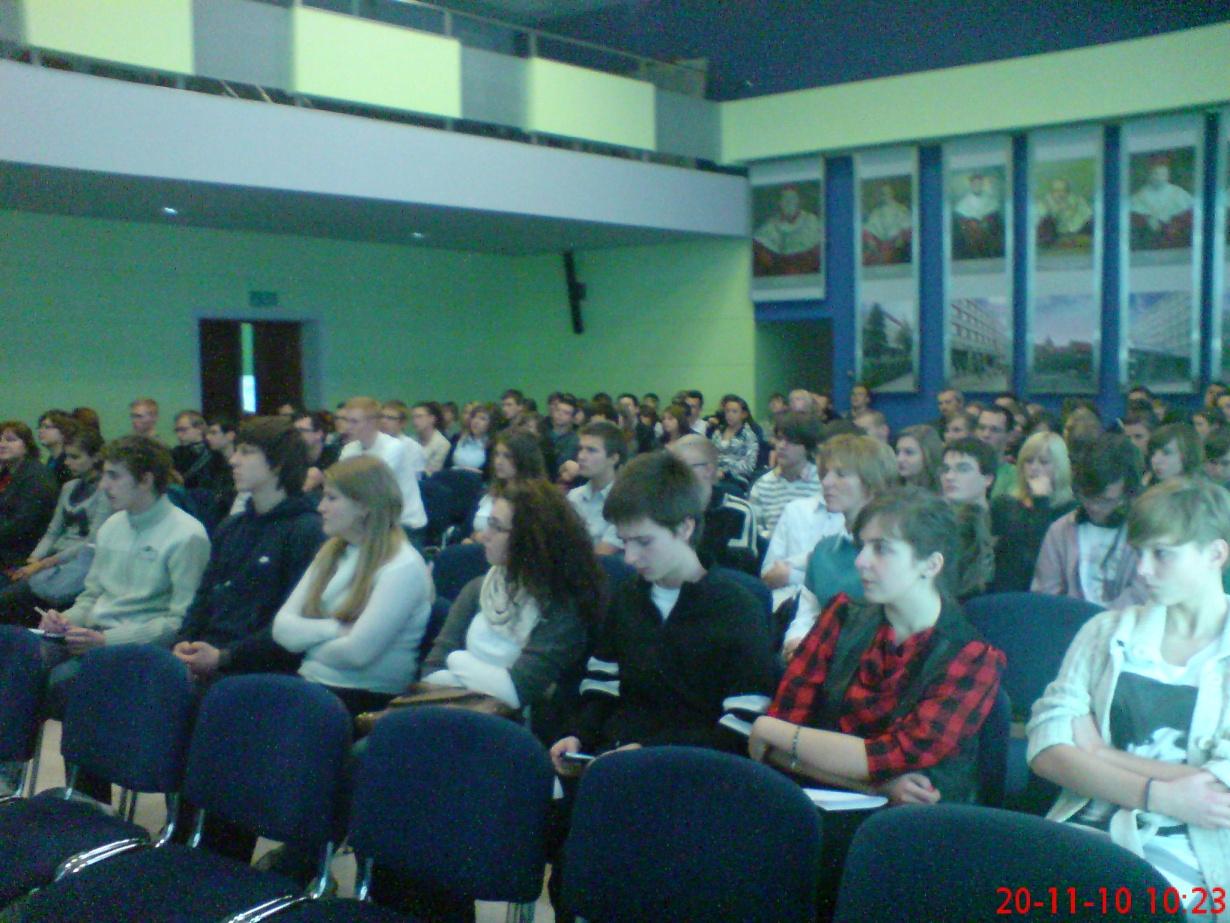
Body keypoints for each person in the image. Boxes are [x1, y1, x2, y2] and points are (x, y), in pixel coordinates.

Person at [750, 488, 1005, 918]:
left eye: (881, 549)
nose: (861, 561)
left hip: (916, 839)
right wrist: (875, 784)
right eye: (862, 545)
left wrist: (772, 732)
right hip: (823, 807)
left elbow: (892, 755)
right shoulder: (843, 615)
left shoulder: (973, 657)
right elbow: (776, 747)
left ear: (931, 564)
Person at [1027, 477, 1230, 910]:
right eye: (1139, 553)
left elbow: (1219, 793)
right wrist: (1160, 794)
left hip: (1193, 856)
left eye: (1163, 554)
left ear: (1215, 554)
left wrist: (1099, 753)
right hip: (1082, 833)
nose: (1142, 570)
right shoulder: (1105, 631)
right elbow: (1045, 749)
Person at [421, 479, 600, 718]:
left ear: (530, 537)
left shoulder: (561, 605)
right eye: (488, 524)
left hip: (515, 730)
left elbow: (518, 691)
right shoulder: (479, 589)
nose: (484, 535)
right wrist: (494, 680)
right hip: (455, 712)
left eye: (497, 527)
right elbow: (431, 670)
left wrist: (457, 660)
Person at [272, 456, 432, 720]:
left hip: (365, 700)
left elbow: (358, 654)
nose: (321, 507)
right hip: (314, 685)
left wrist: (305, 643)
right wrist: (335, 629)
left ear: (364, 506)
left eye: (332, 498)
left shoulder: (402, 566)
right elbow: (281, 628)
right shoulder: (332, 551)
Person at [173, 417, 324, 682]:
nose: (233, 460)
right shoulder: (231, 527)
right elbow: (204, 597)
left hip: (258, 669)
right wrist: (185, 642)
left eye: (247, 452)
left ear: (278, 463)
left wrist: (224, 657)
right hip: (211, 658)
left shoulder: (307, 531)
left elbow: (290, 625)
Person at [781, 434, 898, 656]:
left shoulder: (897, 552)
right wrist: (797, 641)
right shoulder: (824, 550)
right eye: (825, 474)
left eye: (841, 475)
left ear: (873, 482)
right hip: (821, 660)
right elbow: (808, 613)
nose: (825, 482)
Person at [0, 426, 110, 625]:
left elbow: (91, 542)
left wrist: (41, 564)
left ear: (95, 458)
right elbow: (53, 532)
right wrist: (32, 561)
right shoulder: (69, 487)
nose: (67, 462)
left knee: (8, 600)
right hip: (51, 560)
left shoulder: (106, 492)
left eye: (75, 457)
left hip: (77, 564)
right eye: (67, 456)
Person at [1032, 434, 1148, 609]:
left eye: (1106, 500)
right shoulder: (1061, 530)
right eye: (1087, 497)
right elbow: (1045, 594)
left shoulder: (1144, 533)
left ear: (1127, 494)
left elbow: (1143, 594)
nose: (1094, 507)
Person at [989, 432, 1077, 592]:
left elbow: (1040, 551)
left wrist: (1041, 501)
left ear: (1059, 467)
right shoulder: (1004, 504)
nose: (1034, 468)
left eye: (1044, 462)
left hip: (1048, 592)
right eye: (1028, 461)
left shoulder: (1070, 509)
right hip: (1006, 590)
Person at [337, 397, 427, 543]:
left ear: (372, 423)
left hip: (404, 526)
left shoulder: (394, 447)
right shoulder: (349, 449)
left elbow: (370, 489)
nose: (347, 427)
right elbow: (340, 486)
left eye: (354, 422)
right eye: (346, 420)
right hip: (370, 523)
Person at [670, 435, 759, 574]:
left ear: (708, 470)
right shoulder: (666, 509)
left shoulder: (739, 511)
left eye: (684, 467)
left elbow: (739, 572)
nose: (675, 475)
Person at [748, 412, 822, 544]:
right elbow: (755, 530)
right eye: (779, 439)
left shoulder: (823, 482)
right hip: (773, 554)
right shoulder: (763, 485)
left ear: (807, 447)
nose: (781, 446)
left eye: (791, 441)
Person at [0, 420, 58, 578]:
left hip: (20, 556)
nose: (2, 444)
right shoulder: (8, 473)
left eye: (10, 440)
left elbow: (21, 525)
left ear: (26, 446)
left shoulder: (37, 477)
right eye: (0, 439)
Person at [567, 420, 627, 555]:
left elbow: (602, 555)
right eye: (580, 449)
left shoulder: (626, 502)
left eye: (591, 450)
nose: (581, 456)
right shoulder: (573, 496)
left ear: (613, 458)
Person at [753, 184, 822, 276]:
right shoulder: (769, 227)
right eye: (785, 199)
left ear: (799, 201)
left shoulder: (812, 222)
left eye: (793, 198)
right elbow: (760, 246)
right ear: (779, 202)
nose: (789, 202)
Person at [1129, 156, 1195, 250]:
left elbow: (1189, 215)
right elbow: (1135, 218)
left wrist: (1176, 224)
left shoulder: (1179, 193)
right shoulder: (1139, 197)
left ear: (1168, 175)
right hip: (1149, 245)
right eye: (1156, 174)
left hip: (1177, 243)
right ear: (1149, 175)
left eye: (1163, 174)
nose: (1159, 177)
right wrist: (1148, 221)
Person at [952, 172, 1004, 259]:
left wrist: (987, 222)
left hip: (989, 240)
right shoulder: (963, 204)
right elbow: (961, 225)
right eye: (975, 184)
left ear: (982, 184)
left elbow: (997, 224)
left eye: (979, 183)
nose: (977, 186)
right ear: (971, 185)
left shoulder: (991, 201)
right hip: (970, 241)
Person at [710, 393, 760, 486]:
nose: (730, 415)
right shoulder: (718, 432)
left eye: (734, 411)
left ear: (743, 414)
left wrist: (725, 472)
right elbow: (710, 455)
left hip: (736, 479)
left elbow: (749, 466)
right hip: (714, 476)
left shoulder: (749, 435)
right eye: (727, 411)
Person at [861, 181, 912, 265]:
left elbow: (907, 228)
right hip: (879, 246)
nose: (884, 196)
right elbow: (869, 229)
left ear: (891, 194)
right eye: (882, 194)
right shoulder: (876, 212)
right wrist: (871, 241)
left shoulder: (901, 209)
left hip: (896, 246)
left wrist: (899, 239)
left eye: (886, 193)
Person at [940, 437, 997, 509]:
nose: (949, 476)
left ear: (988, 479)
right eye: (945, 469)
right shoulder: (929, 517)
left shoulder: (1005, 519)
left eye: (963, 469)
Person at [1036, 177, 1093, 248]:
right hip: (1053, 234)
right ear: (1052, 192)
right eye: (1057, 191)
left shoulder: (1077, 201)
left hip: (1076, 230)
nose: (1060, 194)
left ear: (1068, 191)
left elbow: (1088, 214)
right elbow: (1042, 219)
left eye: (1064, 190)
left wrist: (1073, 209)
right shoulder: (1044, 203)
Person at [446, 402, 497, 473]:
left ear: (490, 424)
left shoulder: (492, 446)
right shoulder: (457, 438)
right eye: (474, 417)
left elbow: (489, 474)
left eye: (482, 419)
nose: (476, 421)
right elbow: (446, 465)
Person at [896, 424, 943, 492]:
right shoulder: (890, 493)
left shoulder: (945, 495)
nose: (899, 459)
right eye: (897, 452)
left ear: (928, 455)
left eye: (909, 452)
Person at [36, 410, 77, 488]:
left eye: (47, 427)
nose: (41, 431)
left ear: (64, 431)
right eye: (40, 427)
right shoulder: (52, 459)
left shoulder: (68, 463)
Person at [410, 401, 451, 476]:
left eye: (419, 417)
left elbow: (431, 473)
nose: (415, 421)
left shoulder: (442, 444)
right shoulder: (411, 441)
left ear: (432, 419)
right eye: (413, 417)